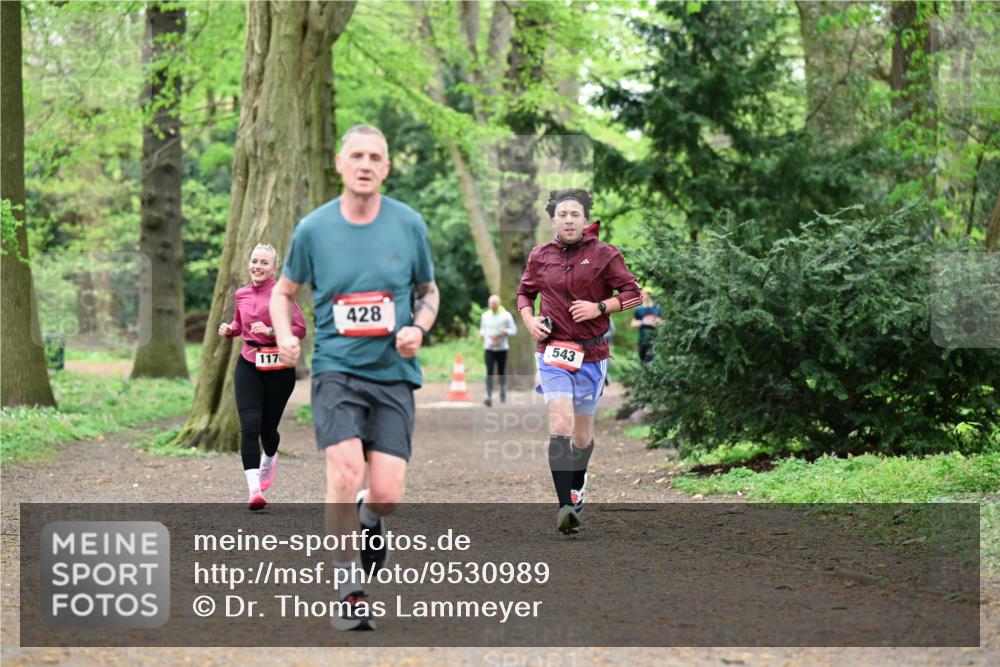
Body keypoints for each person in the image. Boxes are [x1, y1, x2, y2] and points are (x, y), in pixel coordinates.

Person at [269, 124, 438, 631]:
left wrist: (418, 327)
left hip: (393, 374)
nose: (366, 164)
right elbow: (283, 292)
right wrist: (283, 336)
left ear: (387, 167)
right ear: (341, 163)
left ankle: (370, 519)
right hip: (336, 371)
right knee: (344, 473)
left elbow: (428, 290)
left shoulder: (409, 225)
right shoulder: (313, 229)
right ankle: (349, 589)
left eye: (376, 157)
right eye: (357, 155)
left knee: (386, 494)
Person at [517, 189, 642, 535]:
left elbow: (634, 295)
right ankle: (565, 508)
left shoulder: (605, 254)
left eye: (575, 214)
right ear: (553, 220)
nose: (569, 219)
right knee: (560, 422)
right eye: (562, 214)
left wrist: (600, 307)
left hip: (592, 354)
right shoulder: (540, 256)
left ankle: (578, 480)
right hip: (553, 352)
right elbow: (525, 292)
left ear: (585, 220)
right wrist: (529, 321)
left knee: (582, 438)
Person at [218, 244, 306, 511]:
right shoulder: (241, 293)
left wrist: (270, 330)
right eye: (254, 260)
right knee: (249, 425)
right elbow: (238, 325)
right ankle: (254, 490)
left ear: (274, 268)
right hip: (249, 364)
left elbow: (300, 329)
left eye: (264, 262)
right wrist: (229, 330)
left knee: (268, 430)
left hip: (279, 368)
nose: (257, 266)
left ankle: (270, 456)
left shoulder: (282, 294)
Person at [478, 294, 517, 406]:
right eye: (490, 303)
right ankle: (489, 396)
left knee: (501, 372)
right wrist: (481, 334)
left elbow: (514, 330)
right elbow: (483, 328)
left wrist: (506, 332)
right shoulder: (485, 315)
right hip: (489, 348)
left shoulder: (506, 316)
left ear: (499, 303)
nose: (492, 305)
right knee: (489, 372)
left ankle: (503, 393)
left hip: (502, 348)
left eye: (494, 303)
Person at [631, 292, 663, 363]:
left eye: (647, 294)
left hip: (654, 340)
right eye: (644, 294)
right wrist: (643, 322)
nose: (645, 296)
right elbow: (633, 324)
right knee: (642, 360)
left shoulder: (657, 309)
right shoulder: (638, 310)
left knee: (648, 361)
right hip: (642, 340)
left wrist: (655, 322)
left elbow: (664, 323)